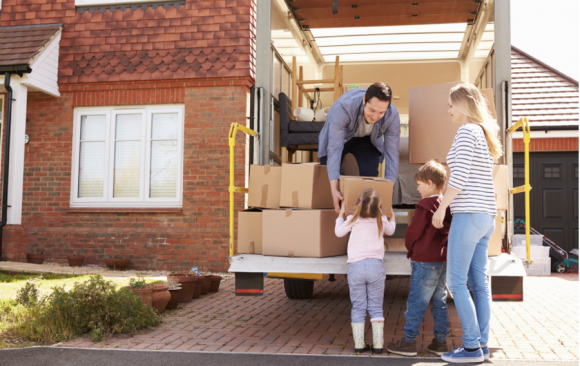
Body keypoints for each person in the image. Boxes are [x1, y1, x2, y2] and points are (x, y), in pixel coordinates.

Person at [431, 83, 502, 363]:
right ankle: (481, 345)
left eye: (450, 105)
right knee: (479, 284)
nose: (448, 110)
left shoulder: (465, 132)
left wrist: (442, 208)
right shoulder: (482, 134)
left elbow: (458, 177)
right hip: (486, 218)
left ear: (463, 104)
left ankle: (471, 347)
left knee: (456, 282)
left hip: (469, 215)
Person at [386, 160, 452, 357]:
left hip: (424, 261)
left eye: (419, 184)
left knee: (416, 302)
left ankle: (408, 342)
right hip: (441, 261)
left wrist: (410, 248)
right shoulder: (446, 206)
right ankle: (440, 342)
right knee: (439, 302)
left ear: (430, 183)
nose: (417, 188)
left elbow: (413, 232)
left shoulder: (425, 206)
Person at [318, 82, 401, 214]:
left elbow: (392, 154)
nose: (375, 116)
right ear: (364, 100)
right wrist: (334, 190)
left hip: (367, 140)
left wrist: (387, 193)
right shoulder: (344, 107)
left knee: (370, 174)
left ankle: (366, 219)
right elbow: (334, 148)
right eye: (372, 110)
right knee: (329, 180)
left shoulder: (392, 115)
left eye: (381, 113)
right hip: (341, 138)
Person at [335, 188, 396, 354]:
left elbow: (338, 232)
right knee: (376, 307)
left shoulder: (352, 219)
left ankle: (359, 344)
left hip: (356, 267)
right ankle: (377, 344)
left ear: (358, 204)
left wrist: (341, 214)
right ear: (379, 206)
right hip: (376, 267)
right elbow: (391, 230)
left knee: (358, 307)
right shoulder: (381, 220)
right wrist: (392, 216)